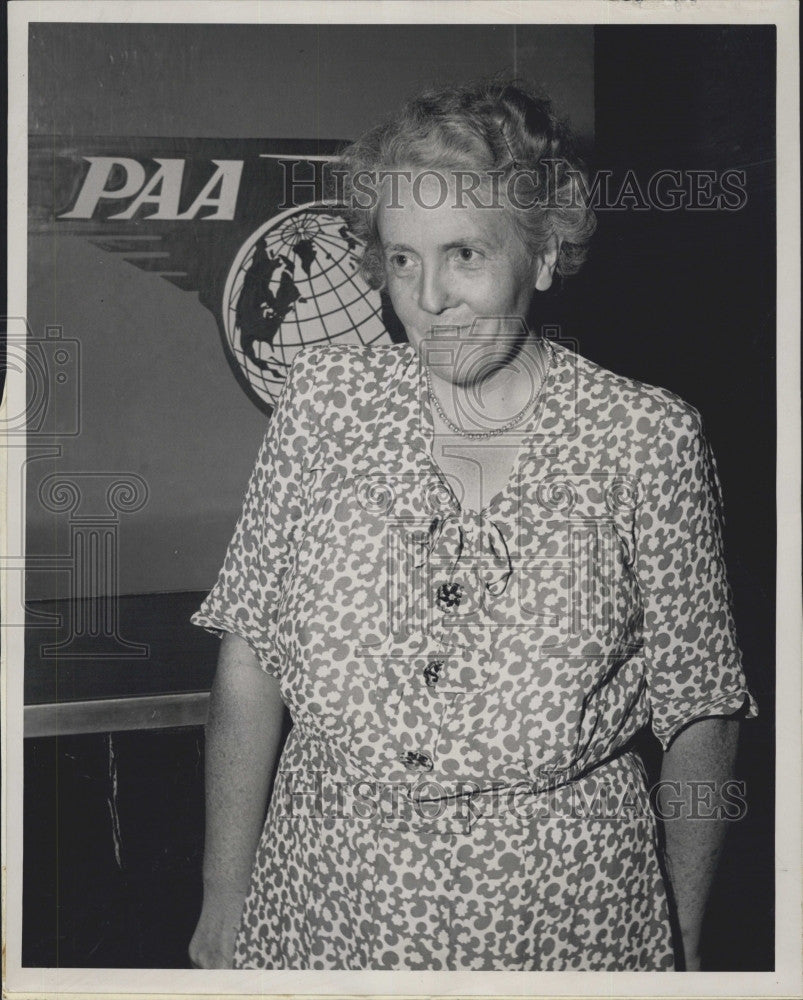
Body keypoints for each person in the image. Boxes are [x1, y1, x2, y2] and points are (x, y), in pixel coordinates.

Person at [188, 78, 757, 972]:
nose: (430, 298)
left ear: (541, 255)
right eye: (403, 259)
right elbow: (250, 658)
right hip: (323, 906)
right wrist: (225, 893)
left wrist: (679, 938)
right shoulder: (323, 407)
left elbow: (703, 717)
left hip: (565, 921)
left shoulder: (647, 437)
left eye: (464, 254)